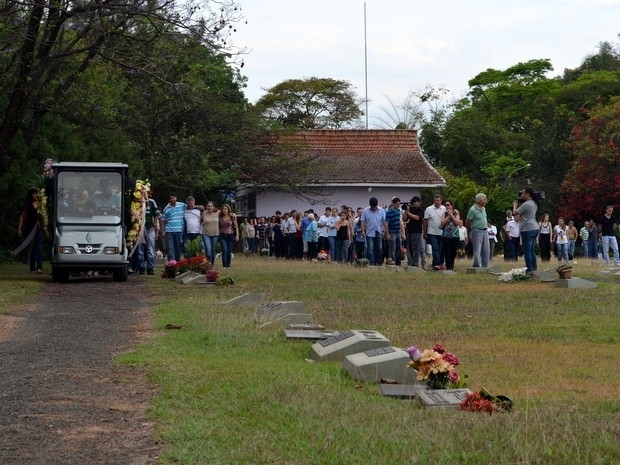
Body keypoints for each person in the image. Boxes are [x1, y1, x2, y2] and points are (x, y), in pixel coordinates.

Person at [16, 187, 45, 273]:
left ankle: (39, 267)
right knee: (32, 247)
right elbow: (22, 217)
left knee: (39, 247)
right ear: (31, 195)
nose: (37, 195)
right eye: (34, 194)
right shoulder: (27, 204)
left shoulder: (42, 204)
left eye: (37, 193)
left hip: (39, 229)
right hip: (30, 228)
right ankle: (32, 267)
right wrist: (19, 229)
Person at [513, 187, 539, 273]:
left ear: (528, 194)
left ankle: (529, 269)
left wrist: (515, 206)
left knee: (527, 250)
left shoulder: (526, 204)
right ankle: (534, 267)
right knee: (532, 250)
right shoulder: (534, 203)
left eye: (523, 193)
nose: (521, 195)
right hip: (534, 227)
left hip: (527, 229)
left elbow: (515, 213)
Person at [136, 193, 160, 275]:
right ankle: (141, 267)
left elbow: (156, 214)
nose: (143, 195)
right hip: (139, 230)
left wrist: (155, 224)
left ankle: (150, 267)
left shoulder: (151, 202)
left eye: (145, 193)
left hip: (150, 228)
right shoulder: (137, 202)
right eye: (141, 193)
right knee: (140, 249)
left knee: (150, 249)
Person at [360, 197, 387, 266]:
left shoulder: (381, 210)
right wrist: (363, 231)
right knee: (370, 248)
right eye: (372, 207)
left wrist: (386, 231)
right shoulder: (365, 211)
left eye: (375, 207)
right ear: (370, 205)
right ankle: (372, 262)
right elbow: (362, 221)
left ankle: (378, 261)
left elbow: (384, 221)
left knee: (379, 248)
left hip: (379, 231)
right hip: (369, 232)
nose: (373, 208)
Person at [466, 193, 490, 268]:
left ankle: (485, 266)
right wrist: (470, 231)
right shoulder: (473, 209)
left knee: (486, 250)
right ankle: (477, 266)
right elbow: (467, 221)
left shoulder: (484, 209)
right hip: (477, 231)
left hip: (485, 231)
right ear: (479, 200)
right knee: (477, 250)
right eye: (484, 199)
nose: (486, 201)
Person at [423, 194, 446, 270]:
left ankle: (435, 263)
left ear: (441, 201)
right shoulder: (429, 209)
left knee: (439, 248)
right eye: (435, 200)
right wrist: (425, 232)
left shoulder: (444, 208)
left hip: (441, 232)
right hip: (432, 232)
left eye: (438, 200)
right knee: (435, 248)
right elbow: (425, 221)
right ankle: (438, 263)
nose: (436, 202)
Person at [161, 193, 186, 261]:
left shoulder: (182, 205)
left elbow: (190, 206)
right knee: (170, 248)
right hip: (169, 230)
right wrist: (163, 231)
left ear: (176, 198)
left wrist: (199, 206)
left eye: (173, 197)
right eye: (170, 198)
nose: (172, 199)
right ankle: (171, 265)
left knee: (178, 248)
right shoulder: (166, 208)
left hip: (179, 230)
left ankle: (177, 263)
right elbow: (163, 220)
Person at [440, 200, 462, 271]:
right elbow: (442, 223)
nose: (446, 206)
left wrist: (451, 215)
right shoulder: (444, 213)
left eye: (448, 205)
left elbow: (457, 222)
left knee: (453, 252)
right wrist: (448, 216)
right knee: (447, 251)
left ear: (452, 205)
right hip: (446, 235)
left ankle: (451, 266)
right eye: (445, 205)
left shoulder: (456, 212)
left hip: (454, 235)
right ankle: (448, 267)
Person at [403, 196, 424, 268]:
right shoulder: (410, 209)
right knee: (410, 248)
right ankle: (411, 262)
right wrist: (406, 211)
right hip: (409, 231)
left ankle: (415, 263)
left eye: (415, 202)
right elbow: (404, 219)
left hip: (416, 231)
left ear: (419, 202)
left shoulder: (420, 209)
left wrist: (408, 212)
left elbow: (417, 218)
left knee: (415, 248)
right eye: (413, 202)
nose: (413, 203)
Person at [385, 197, 405, 265]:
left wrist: (403, 232)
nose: (398, 205)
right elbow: (386, 223)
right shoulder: (388, 212)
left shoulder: (399, 211)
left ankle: (397, 260)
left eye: (399, 204)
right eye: (397, 204)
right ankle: (391, 260)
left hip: (398, 231)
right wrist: (387, 233)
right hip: (392, 231)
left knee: (398, 247)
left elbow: (401, 222)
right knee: (392, 247)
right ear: (393, 204)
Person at [218, 204, 239, 268]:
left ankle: (228, 265)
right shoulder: (219, 217)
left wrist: (237, 235)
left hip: (231, 235)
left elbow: (236, 226)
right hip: (222, 235)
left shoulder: (232, 217)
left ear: (228, 210)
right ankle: (224, 265)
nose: (224, 210)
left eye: (226, 209)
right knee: (224, 250)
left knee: (229, 251)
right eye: (223, 209)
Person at [201, 202, 219, 266]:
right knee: (208, 251)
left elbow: (226, 213)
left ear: (213, 207)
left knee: (213, 251)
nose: (209, 207)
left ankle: (211, 265)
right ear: (206, 207)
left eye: (211, 206)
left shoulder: (217, 212)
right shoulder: (203, 214)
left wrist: (233, 214)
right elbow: (200, 222)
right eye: (208, 206)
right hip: (206, 234)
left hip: (215, 234)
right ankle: (208, 265)